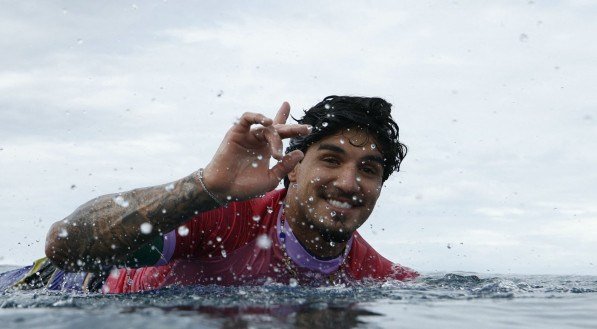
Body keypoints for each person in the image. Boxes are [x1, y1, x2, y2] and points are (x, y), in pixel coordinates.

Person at [0, 95, 417, 293]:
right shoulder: (229, 220)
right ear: (292, 169)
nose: (348, 182)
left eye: (368, 169)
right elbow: (64, 244)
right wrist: (206, 189)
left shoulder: (377, 275)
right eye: (331, 159)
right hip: (62, 289)